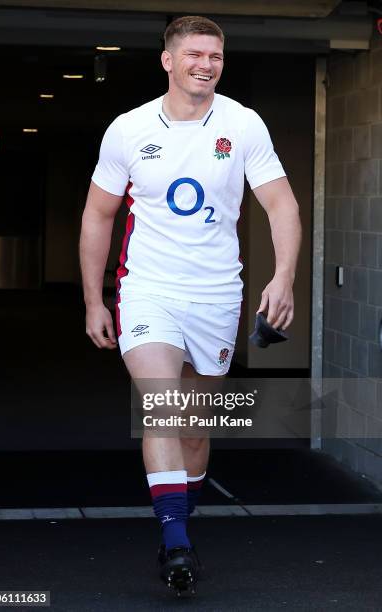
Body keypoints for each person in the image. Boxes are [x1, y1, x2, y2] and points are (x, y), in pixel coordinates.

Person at [79, 15, 302, 595]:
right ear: (169, 61)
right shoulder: (128, 130)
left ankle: (181, 509)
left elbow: (281, 205)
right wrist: (92, 301)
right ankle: (175, 542)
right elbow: (98, 215)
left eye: (216, 56)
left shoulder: (243, 124)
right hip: (147, 288)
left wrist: (283, 277)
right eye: (195, 54)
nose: (206, 64)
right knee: (162, 406)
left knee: (196, 427)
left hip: (216, 294)